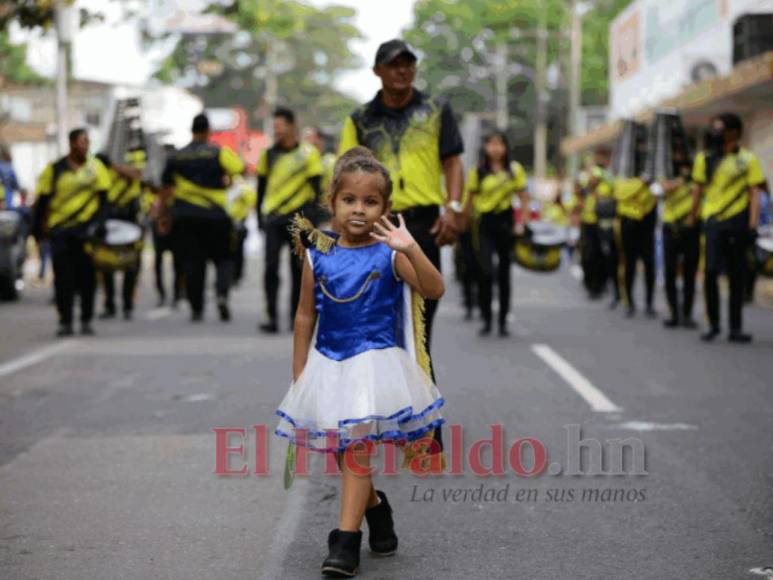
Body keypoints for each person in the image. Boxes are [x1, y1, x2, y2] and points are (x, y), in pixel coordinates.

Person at [274, 147, 445, 578]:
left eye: (371, 202)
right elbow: (304, 315)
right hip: (329, 363)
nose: (358, 209)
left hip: (375, 365)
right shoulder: (317, 254)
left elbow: (435, 288)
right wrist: (300, 375)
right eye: (349, 199)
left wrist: (411, 248)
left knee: (355, 448)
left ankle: (344, 542)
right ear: (331, 201)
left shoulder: (389, 253)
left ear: (385, 209)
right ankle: (376, 509)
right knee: (342, 448)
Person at [338, 38, 464, 358]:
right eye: (394, 64)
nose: (402, 70)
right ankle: (382, 395)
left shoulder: (436, 110)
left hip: (422, 223)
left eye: (407, 63)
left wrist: (453, 207)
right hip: (376, 226)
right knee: (379, 317)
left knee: (422, 316)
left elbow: (452, 163)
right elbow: (346, 173)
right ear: (377, 71)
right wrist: (346, 225)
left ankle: (421, 396)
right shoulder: (360, 119)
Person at [161, 113, 245, 322]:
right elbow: (239, 169)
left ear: (192, 131)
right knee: (223, 259)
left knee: (192, 262)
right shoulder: (219, 152)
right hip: (216, 215)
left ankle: (196, 308)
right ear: (209, 132)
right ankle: (222, 295)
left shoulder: (176, 156)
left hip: (185, 216)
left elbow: (166, 188)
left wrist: (163, 215)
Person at [690, 113, 765, 343]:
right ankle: (713, 324)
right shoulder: (705, 159)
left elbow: (755, 194)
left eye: (720, 128)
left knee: (736, 276)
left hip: (738, 223)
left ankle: (735, 328)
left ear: (734, 132)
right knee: (710, 273)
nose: (716, 132)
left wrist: (752, 224)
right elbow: (697, 192)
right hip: (712, 223)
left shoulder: (748, 159)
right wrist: (692, 219)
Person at [32, 128, 111, 336]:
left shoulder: (96, 168)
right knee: (63, 279)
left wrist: (100, 224)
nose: (86, 146)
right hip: (62, 232)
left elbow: (104, 200)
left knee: (87, 277)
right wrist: (38, 230)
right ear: (72, 143)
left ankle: (86, 319)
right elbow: (42, 202)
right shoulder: (55, 169)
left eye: (88, 142)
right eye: (82, 142)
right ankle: (65, 320)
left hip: (87, 233)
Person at [257, 108, 323, 334]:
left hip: (299, 220)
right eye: (274, 127)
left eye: (279, 126)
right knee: (270, 268)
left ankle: (297, 316)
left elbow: (317, 189)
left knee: (299, 271)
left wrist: (313, 220)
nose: (276, 131)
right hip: (274, 219)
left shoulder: (308, 153)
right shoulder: (268, 155)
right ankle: (271, 316)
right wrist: (259, 217)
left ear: (291, 126)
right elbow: (261, 188)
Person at [464, 132, 529, 337]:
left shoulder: (514, 170)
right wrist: (462, 224)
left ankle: (502, 321)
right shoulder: (478, 171)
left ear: (506, 147)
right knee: (485, 271)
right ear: (485, 147)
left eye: (499, 144)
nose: (495, 148)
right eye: (491, 144)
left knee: (504, 273)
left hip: (506, 222)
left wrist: (522, 223)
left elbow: (524, 198)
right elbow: (470, 200)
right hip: (484, 223)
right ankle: (486, 318)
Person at [97, 150, 146, 321]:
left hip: (129, 220)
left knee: (130, 265)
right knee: (106, 265)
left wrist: (112, 165)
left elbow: (137, 174)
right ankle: (110, 304)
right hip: (109, 221)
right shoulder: (98, 174)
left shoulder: (125, 167)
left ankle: (127, 305)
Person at [660, 152, 700, 329]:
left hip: (691, 229)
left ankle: (687, 314)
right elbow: (661, 189)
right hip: (671, 229)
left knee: (690, 273)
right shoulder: (667, 177)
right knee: (670, 272)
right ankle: (674, 313)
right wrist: (680, 180)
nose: (682, 166)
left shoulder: (697, 179)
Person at [615, 172, 657, 318]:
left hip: (646, 226)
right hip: (629, 225)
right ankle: (630, 304)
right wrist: (641, 182)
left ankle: (649, 304)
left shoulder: (653, 181)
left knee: (649, 265)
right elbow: (620, 194)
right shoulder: (625, 180)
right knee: (629, 265)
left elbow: (658, 193)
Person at [227, 176, 257, 286]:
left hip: (238, 224)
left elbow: (253, 202)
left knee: (237, 251)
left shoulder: (241, 187)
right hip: (223, 222)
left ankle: (236, 276)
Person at [0, 144, 26, 209]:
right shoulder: (8, 168)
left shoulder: (6, 166)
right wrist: (22, 191)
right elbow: (15, 183)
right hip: (5, 200)